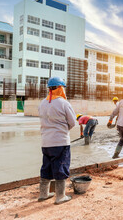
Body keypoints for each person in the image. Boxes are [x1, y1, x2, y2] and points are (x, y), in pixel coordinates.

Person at [38, 77, 76, 205]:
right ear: (60, 88)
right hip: (60, 142)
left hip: (45, 142)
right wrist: (63, 130)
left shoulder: (42, 103)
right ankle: (60, 197)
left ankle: (43, 194)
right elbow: (72, 122)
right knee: (61, 167)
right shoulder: (64, 103)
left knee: (46, 167)